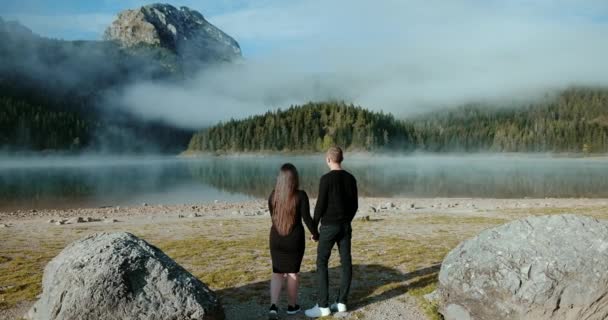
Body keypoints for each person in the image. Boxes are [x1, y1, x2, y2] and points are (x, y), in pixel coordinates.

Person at [305, 146, 358, 318]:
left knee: (321, 263)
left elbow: (319, 207)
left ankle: (323, 306)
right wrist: (347, 220)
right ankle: (342, 302)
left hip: (328, 227)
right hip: (345, 226)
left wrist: (314, 230)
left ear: (328, 159)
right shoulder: (351, 178)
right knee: (346, 262)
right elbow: (355, 205)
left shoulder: (326, 179)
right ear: (341, 159)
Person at [268, 163, 319, 319]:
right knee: (292, 273)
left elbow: (274, 218)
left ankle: (273, 307)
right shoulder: (300, 195)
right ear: (295, 179)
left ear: (280, 179)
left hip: (276, 238)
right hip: (294, 240)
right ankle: (291, 307)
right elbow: (307, 219)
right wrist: (315, 234)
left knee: (277, 273)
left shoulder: (272, 195)